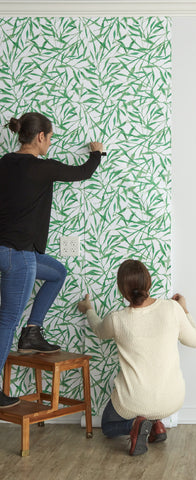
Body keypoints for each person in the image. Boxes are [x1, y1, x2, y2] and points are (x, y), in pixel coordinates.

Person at [0, 112, 104, 408]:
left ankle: (32, 332)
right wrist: (97, 154)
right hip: (19, 255)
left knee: (58, 272)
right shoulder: (42, 168)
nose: (50, 143)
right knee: (7, 320)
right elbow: (82, 172)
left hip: (9, 251)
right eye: (51, 138)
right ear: (41, 137)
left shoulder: (4, 164)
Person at [77, 259, 196, 456]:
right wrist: (184, 309)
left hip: (133, 401)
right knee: (147, 402)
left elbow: (98, 330)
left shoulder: (117, 319)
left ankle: (140, 424)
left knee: (108, 426)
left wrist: (88, 308)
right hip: (172, 399)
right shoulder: (172, 308)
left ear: (122, 291)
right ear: (148, 282)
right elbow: (195, 340)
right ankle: (155, 424)